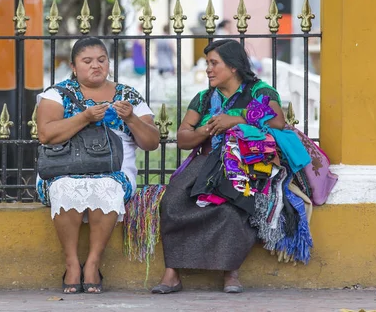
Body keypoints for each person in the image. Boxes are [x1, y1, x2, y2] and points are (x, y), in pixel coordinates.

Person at [152, 39, 333, 294]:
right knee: (173, 203)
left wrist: (234, 119)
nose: (208, 69)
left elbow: (278, 121)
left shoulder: (259, 92)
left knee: (235, 204)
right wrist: (209, 127)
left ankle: (231, 272)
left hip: (246, 163)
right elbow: (183, 138)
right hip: (206, 162)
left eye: (214, 63)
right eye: (208, 64)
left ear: (234, 66)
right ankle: (172, 272)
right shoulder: (204, 98)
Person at [36, 37, 160, 294]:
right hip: (63, 169)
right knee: (64, 187)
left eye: (102, 60)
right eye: (87, 61)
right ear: (73, 66)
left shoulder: (128, 96)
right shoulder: (57, 94)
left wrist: (132, 118)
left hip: (115, 171)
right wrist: (84, 117)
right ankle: (72, 263)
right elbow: (46, 135)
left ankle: (92, 263)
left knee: (107, 187)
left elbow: (151, 142)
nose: (96, 66)